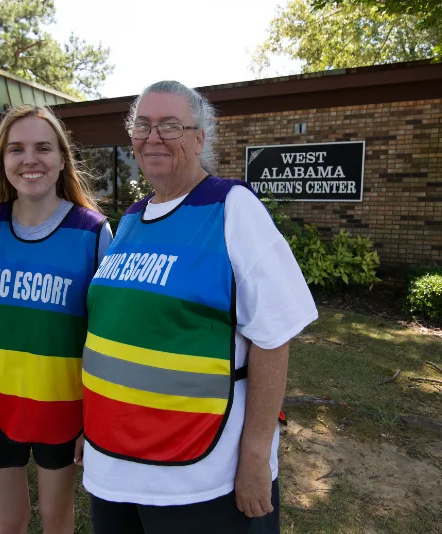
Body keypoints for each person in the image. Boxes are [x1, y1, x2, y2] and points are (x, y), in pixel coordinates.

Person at [80, 81, 318, 534]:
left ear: (200, 138)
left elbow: (273, 337)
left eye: (170, 125)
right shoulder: (131, 219)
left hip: (199, 475)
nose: (153, 137)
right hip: (114, 466)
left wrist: (254, 458)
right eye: (143, 125)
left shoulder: (231, 208)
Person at [0, 104, 112, 534]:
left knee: (56, 521)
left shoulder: (93, 233)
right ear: (1, 161)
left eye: (43, 148)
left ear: (62, 158)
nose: (29, 159)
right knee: (8, 522)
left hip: (60, 405)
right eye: (16, 149)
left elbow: (104, 336)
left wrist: (94, 420)